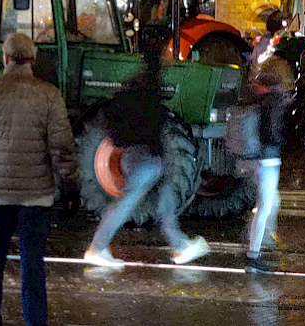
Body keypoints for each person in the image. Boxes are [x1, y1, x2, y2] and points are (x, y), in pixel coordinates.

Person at [0, 32, 80, 326]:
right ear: (33, 60)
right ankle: (35, 321)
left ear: (5, 58)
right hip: (36, 199)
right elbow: (62, 149)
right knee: (32, 265)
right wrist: (70, 188)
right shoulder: (49, 95)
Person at [83, 45, 210, 268]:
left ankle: (179, 245)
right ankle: (98, 247)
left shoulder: (134, 85)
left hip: (137, 154)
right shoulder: (149, 88)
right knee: (136, 201)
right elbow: (151, 121)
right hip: (146, 155)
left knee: (154, 200)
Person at [242, 58, 293, 273]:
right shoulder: (273, 101)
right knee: (265, 207)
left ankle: (258, 238)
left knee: (273, 202)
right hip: (268, 160)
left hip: (254, 159)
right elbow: (272, 133)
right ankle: (253, 256)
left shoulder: (253, 97)